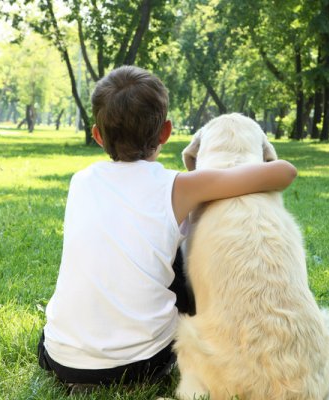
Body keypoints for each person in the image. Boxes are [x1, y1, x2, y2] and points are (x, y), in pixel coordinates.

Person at [37, 65, 297, 391]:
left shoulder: (81, 181)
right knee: (182, 259)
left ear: (98, 136)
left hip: (61, 360)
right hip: (141, 367)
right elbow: (284, 172)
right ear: (166, 132)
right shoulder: (177, 187)